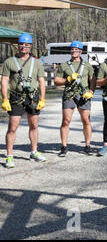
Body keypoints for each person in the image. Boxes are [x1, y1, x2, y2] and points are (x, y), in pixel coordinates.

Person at [1, 33, 47, 168]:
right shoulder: (9, 61)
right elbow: (4, 81)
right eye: (21, 44)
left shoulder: (37, 62)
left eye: (26, 45)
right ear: (18, 46)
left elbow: (41, 81)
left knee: (34, 125)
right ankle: (9, 156)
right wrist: (5, 99)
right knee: (13, 127)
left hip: (32, 97)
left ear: (30, 46)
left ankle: (34, 151)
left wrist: (43, 99)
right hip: (16, 97)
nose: (23, 47)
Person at [54, 41, 96, 157]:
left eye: (76, 49)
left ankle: (87, 146)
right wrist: (67, 79)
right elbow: (56, 81)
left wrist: (91, 92)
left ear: (80, 51)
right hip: (69, 95)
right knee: (66, 121)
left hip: (83, 95)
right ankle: (63, 146)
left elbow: (93, 80)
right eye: (72, 49)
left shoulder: (87, 65)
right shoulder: (64, 65)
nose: (74, 51)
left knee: (86, 120)